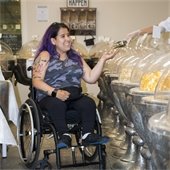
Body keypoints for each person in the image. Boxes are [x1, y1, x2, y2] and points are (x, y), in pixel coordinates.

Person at [32, 22, 119, 148]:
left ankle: (87, 135)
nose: (68, 39)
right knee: (57, 104)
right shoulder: (45, 56)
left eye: (68, 35)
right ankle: (64, 136)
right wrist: (55, 92)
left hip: (73, 96)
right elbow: (36, 81)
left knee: (88, 102)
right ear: (53, 40)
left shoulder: (75, 56)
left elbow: (91, 78)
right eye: (63, 36)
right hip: (50, 96)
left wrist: (103, 59)